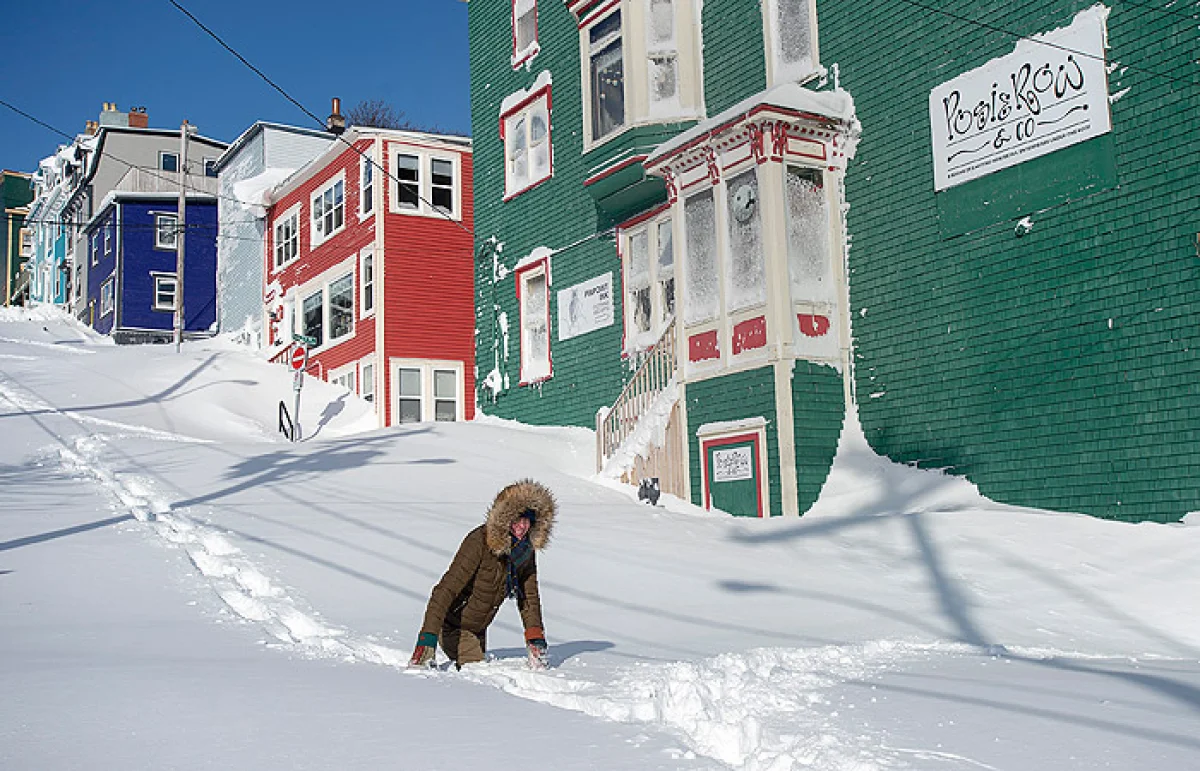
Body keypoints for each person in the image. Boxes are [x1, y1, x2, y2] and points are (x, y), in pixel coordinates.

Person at [409, 479, 556, 670]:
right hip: (452, 626)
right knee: (477, 672)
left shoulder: (524, 551)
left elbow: (528, 597)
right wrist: (426, 641)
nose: (522, 526)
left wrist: (535, 638)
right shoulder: (479, 542)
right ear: (505, 520)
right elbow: (444, 590)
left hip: (478, 630)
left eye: (527, 520)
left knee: (479, 668)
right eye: (517, 520)